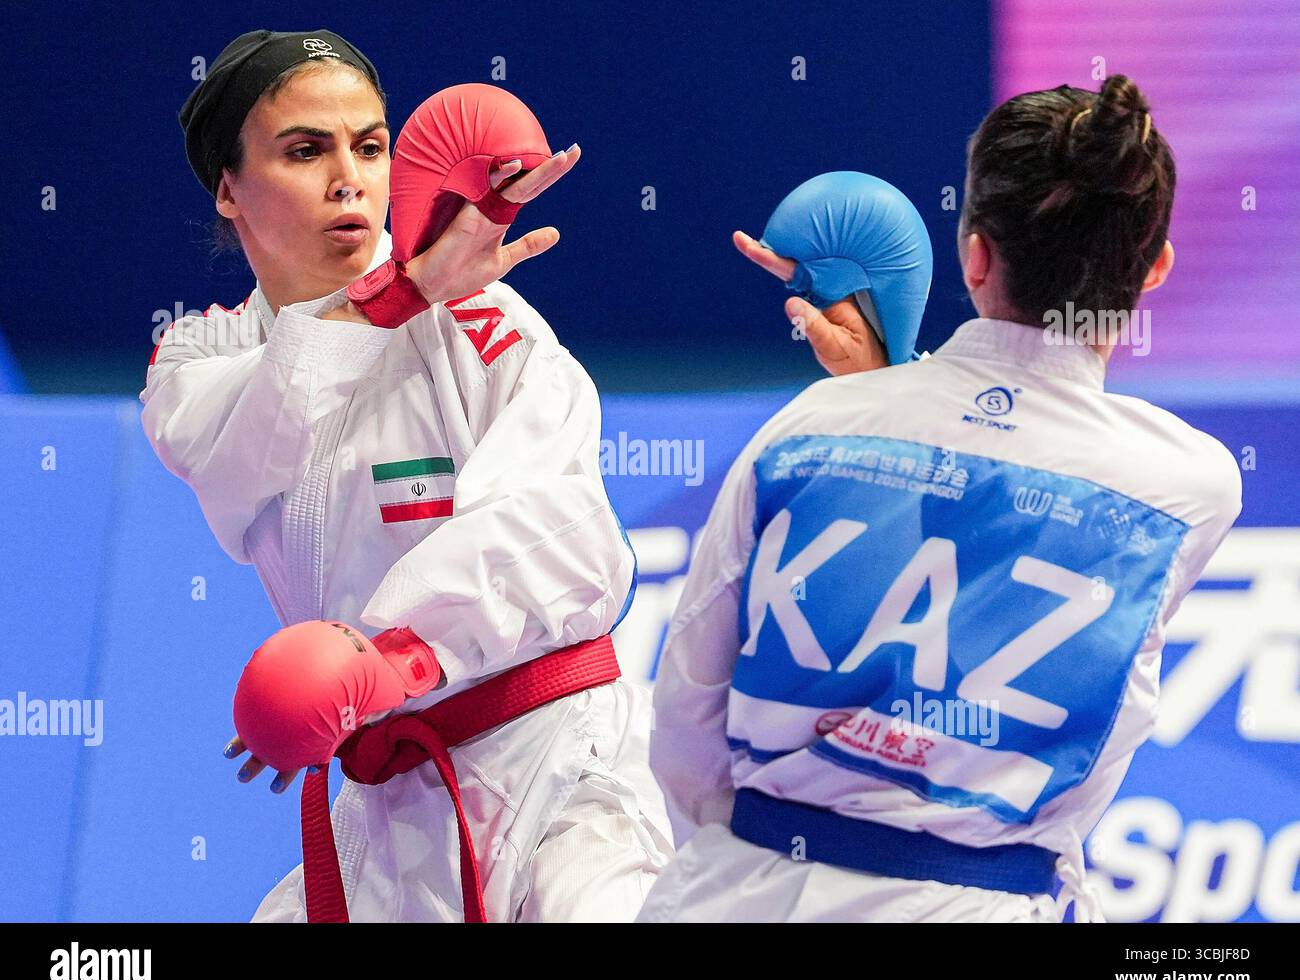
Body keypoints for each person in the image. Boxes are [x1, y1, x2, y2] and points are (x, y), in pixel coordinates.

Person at [638, 75, 1243, 923]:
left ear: (974, 256)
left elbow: (685, 712)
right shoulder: (1193, 484)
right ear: (1155, 269)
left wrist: (887, 394)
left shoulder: (810, 425)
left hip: (732, 890)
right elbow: (1000, 473)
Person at [140, 28, 671, 922]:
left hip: (561, 771)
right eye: (306, 150)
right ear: (228, 188)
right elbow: (244, 449)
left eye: (371, 146)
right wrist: (398, 297)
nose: (350, 176)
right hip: (389, 807)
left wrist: (391, 662)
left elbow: (563, 530)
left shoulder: (484, 317)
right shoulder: (200, 355)